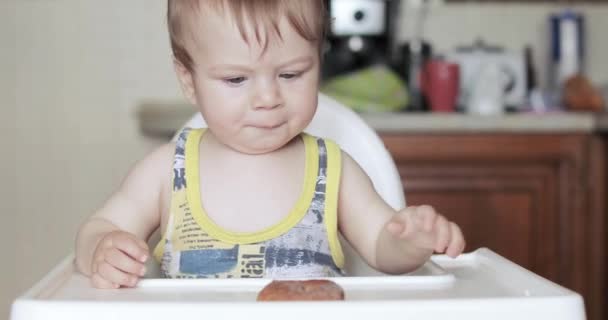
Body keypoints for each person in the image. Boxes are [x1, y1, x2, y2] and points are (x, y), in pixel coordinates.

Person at [75, 0, 465, 289]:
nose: (267, 98)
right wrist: (102, 250)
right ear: (189, 80)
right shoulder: (165, 171)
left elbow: (383, 247)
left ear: (318, 62)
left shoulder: (334, 170)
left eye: (291, 73)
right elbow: (100, 227)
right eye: (235, 80)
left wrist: (412, 242)